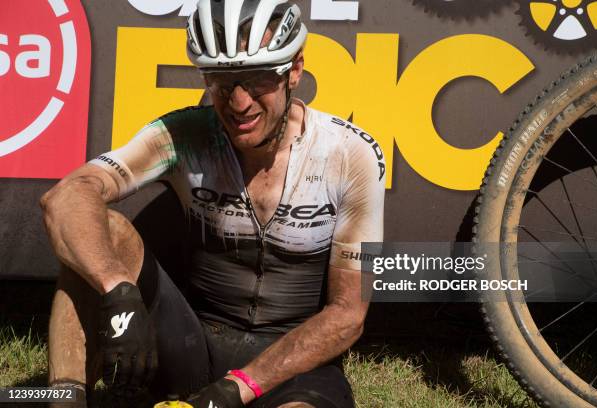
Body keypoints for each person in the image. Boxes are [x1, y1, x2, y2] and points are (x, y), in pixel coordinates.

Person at [41, 1, 385, 407]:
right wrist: (117, 290)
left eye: (257, 80)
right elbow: (67, 195)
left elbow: (347, 316)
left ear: (294, 70)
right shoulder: (184, 133)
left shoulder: (350, 153)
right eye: (222, 82)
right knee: (104, 231)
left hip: (292, 362)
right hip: (193, 343)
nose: (239, 103)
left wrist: (235, 388)